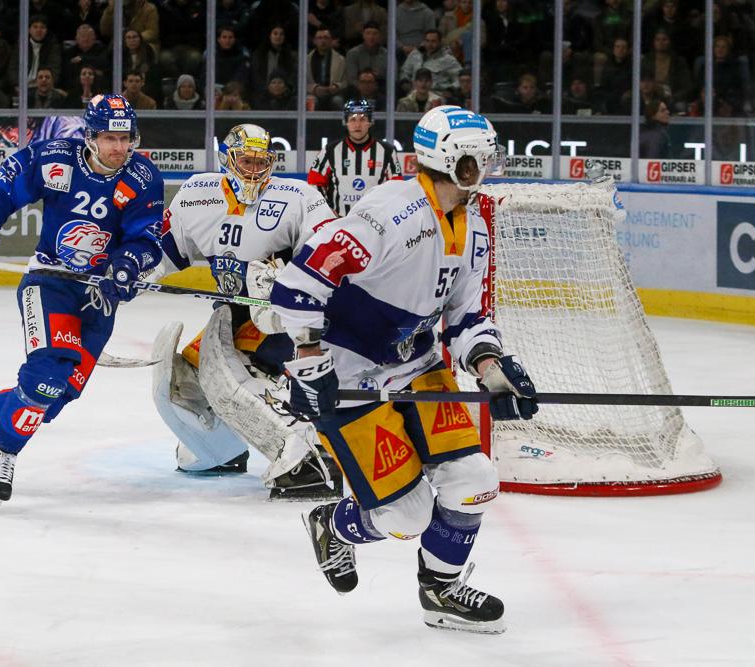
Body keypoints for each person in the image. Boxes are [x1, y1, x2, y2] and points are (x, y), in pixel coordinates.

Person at [270, 106, 539, 632]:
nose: (488, 167)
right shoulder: (391, 210)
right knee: (406, 513)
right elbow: (298, 285)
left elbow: (467, 315)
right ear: (456, 161)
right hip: (351, 376)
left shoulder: (474, 223)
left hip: (418, 364)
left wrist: (491, 368)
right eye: (480, 159)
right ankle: (333, 525)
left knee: (474, 479)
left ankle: (441, 591)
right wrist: (308, 361)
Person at [0, 95, 164, 512]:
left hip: (98, 297)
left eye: (125, 138)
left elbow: (146, 238)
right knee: (45, 377)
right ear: (90, 137)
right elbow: (3, 187)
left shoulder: (143, 177)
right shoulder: (56, 157)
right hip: (49, 282)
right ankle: (6, 453)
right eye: (110, 138)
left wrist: (128, 265)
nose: (119, 147)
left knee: (55, 399)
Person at [151, 123, 342, 501]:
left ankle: (305, 456)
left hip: (289, 317)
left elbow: (332, 251)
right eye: (246, 161)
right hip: (237, 313)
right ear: (227, 159)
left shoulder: (298, 196)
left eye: (261, 161)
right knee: (185, 379)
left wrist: (289, 280)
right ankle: (220, 448)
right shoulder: (196, 195)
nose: (255, 170)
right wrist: (126, 273)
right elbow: (162, 252)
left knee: (229, 371)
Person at [308, 99, 402, 216]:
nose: (357, 125)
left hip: (375, 221)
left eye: (362, 119)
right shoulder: (330, 150)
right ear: (345, 122)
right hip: (338, 221)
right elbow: (314, 182)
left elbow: (396, 188)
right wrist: (326, 210)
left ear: (370, 122)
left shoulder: (387, 151)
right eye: (352, 119)